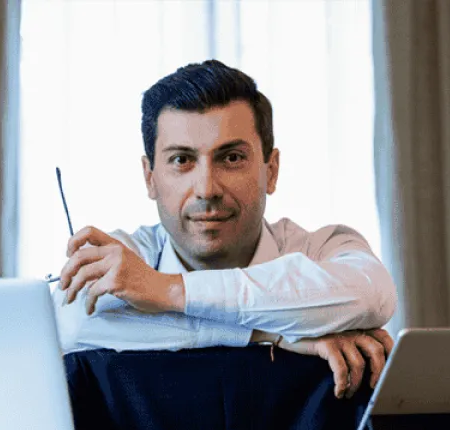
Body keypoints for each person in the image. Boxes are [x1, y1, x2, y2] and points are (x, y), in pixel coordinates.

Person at [52, 60, 397, 400]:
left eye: (231, 158)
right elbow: (71, 324)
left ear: (271, 171)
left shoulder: (322, 248)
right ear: (149, 177)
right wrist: (276, 332)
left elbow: (373, 295)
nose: (207, 189)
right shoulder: (128, 256)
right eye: (181, 160)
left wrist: (166, 290)